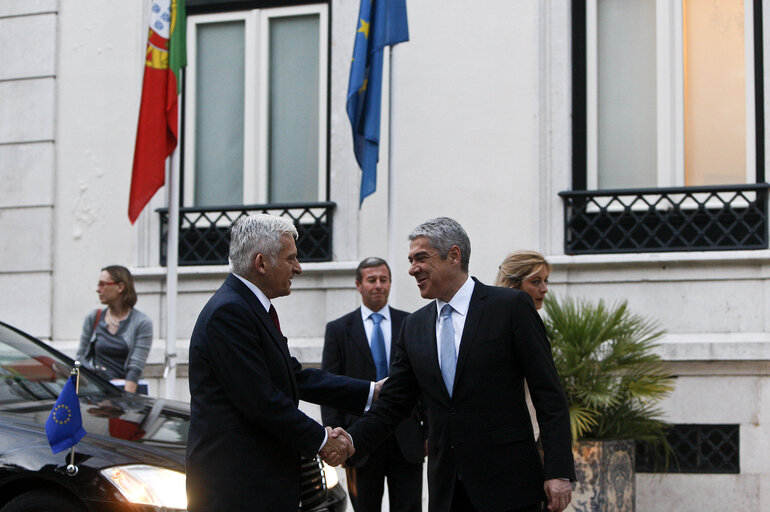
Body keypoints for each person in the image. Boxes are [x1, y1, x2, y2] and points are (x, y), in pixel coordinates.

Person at [346, 217, 575, 512]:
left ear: (454, 256)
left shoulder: (510, 307)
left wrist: (558, 470)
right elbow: (393, 403)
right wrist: (351, 441)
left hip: (509, 486)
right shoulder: (414, 326)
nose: (412, 268)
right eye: (410, 260)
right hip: (447, 490)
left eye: (421, 258)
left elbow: (549, 394)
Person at [186, 214, 378, 512]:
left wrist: (370, 391)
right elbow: (261, 401)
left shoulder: (248, 308)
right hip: (238, 491)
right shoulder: (229, 314)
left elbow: (293, 376)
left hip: (260, 485)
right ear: (261, 263)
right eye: (291, 259)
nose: (298, 268)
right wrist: (322, 439)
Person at [322, 257, 426, 512]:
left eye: (384, 280)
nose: (378, 285)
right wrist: (338, 436)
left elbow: (425, 380)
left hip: (407, 439)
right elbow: (330, 387)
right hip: (359, 440)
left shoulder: (411, 323)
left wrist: (428, 434)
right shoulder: (338, 330)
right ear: (359, 285)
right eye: (372, 280)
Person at [495, 250, 552, 444]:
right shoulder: (496, 325)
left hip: (536, 431)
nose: (544, 289)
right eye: (536, 281)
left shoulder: (534, 322)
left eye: (546, 281)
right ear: (513, 284)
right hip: (508, 436)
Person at [77, 265, 152, 394]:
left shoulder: (142, 322)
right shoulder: (93, 318)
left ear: (120, 287)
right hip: (95, 393)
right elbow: (80, 359)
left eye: (103, 284)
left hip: (124, 392)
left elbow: (135, 367)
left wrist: (126, 402)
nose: (98, 290)